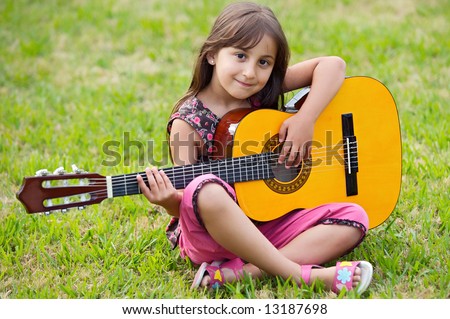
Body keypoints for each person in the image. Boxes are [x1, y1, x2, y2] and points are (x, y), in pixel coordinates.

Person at [136, 1, 373, 293]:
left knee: (355, 216)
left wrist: (305, 119)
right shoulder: (189, 122)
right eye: (239, 55)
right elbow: (188, 201)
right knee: (205, 188)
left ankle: (242, 273)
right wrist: (167, 200)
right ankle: (304, 276)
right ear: (212, 54)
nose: (250, 72)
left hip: (269, 220)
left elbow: (334, 65)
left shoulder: (260, 91)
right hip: (215, 236)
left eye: (263, 62)